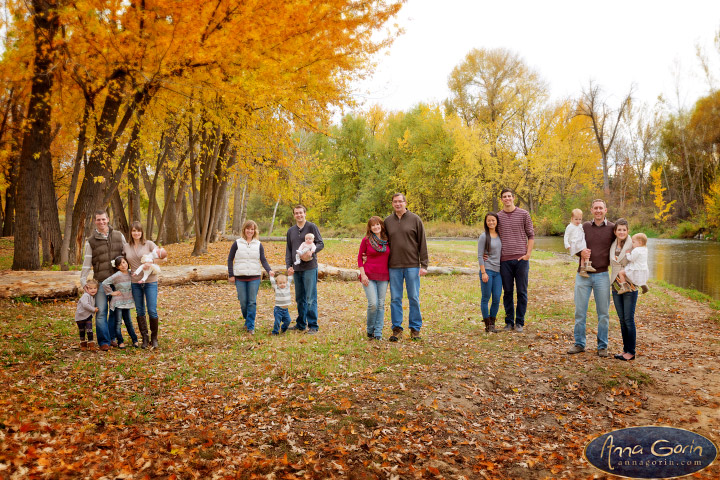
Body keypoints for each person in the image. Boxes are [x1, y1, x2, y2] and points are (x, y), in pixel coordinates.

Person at [567, 199, 616, 357]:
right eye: (595, 208)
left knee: (603, 313)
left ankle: (602, 346)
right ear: (591, 210)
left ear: (605, 210)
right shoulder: (584, 226)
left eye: (601, 208)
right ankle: (579, 343)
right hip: (583, 275)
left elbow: (620, 245)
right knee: (580, 312)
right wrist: (579, 253)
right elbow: (574, 243)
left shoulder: (612, 228)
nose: (598, 210)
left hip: (602, 275)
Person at [384, 193, 428, 341]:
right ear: (392, 204)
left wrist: (424, 264)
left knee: (413, 297)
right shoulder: (387, 221)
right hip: (394, 266)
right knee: (395, 298)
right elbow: (382, 243)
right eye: (395, 202)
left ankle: (415, 328)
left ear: (405, 203)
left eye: (400, 201)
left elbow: (422, 242)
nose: (398, 204)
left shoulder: (415, 219)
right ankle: (396, 328)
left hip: (412, 265)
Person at [80, 210, 127, 351]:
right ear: (95, 221)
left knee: (114, 311)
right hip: (100, 281)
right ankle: (104, 341)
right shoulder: (91, 241)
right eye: (98, 220)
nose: (101, 222)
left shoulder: (119, 236)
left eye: (103, 219)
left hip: (116, 282)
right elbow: (87, 263)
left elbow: (127, 255)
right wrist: (83, 282)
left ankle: (112, 338)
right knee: (100, 312)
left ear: (108, 219)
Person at [496, 188, 534, 332]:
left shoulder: (524, 214)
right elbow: (493, 237)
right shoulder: (498, 216)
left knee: (522, 292)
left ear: (513, 198)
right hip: (504, 260)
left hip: (521, 260)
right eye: (504, 197)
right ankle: (509, 322)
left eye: (509, 196)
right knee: (507, 292)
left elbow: (530, 235)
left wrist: (528, 254)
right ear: (501, 200)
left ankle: (520, 323)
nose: (507, 199)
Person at [228, 220, 274, 335]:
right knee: (243, 302)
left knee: (252, 302)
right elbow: (230, 259)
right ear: (244, 229)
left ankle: (250, 326)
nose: (250, 231)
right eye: (248, 229)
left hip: (254, 277)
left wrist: (269, 270)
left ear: (255, 231)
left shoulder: (258, 244)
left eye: (252, 229)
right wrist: (231, 274)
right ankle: (247, 320)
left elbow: (263, 259)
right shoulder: (237, 243)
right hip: (240, 277)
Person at [124, 221, 163, 349]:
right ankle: (145, 338)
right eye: (134, 230)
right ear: (130, 232)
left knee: (152, 309)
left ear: (142, 232)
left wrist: (151, 262)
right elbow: (123, 262)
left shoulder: (149, 244)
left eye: (138, 230)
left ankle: (154, 338)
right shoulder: (126, 246)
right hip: (135, 282)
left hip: (150, 281)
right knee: (140, 310)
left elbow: (164, 257)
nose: (136, 233)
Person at [285, 205, 324, 334]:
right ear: (294, 215)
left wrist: (312, 253)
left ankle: (313, 325)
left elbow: (320, 243)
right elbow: (289, 250)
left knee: (310, 297)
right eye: (296, 213)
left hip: (310, 267)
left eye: (301, 213)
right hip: (297, 268)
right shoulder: (291, 231)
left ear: (305, 213)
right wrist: (289, 265)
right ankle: (301, 323)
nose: (299, 215)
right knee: (299, 297)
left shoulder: (312, 227)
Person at [609, 218, 638, 361]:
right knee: (621, 319)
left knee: (628, 319)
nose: (621, 232)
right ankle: (625, 350)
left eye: (624, 230)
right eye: (619, 229)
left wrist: (625, 273)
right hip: (615, 285)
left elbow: (639, 264)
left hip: (629, 285)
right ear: (615, 231)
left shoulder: (633, 245)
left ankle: (631, 351)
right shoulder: (613, 244)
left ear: (628, 231)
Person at [358, 216, 391, 340]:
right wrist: (363, 275)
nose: (376, 227)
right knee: (373, 304)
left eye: (378, 224)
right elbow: (359, 259)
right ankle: (370, 329)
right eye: (373, 225)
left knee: (381, 304)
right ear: (370, 228)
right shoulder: (366, 240)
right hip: (369, 276)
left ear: (381, 225)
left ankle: (378, 332)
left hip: (384, 276)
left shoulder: (388, 240)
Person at [101, 256, 138, 349]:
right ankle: (120, 341)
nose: (123, 265)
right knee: (118, 322)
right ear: (117, 267)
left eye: (124, 262)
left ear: (127, 263)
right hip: (118, 302)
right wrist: (111, 293)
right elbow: (105, 283)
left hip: (127, 301)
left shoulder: (131, 273)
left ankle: (135, 340)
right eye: (120, 264)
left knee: (129, 322)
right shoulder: (117, 275)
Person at [478, 212, 501, 333]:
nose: (491, 222)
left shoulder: (500, 235)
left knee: (497, 298)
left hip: (498, 272)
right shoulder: (484, 236)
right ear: (486, 222)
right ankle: (488, 325)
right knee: (486, 298)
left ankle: (493, 322)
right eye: (489, 221)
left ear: (497, 221)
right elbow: (480, 256)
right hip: (487, 270)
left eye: (493, 220)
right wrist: (483, 272)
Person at [564, 208, 597, 277]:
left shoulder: (580, 226)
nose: (578, 221)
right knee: (586, 251)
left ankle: (582, 270)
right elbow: (566, 236)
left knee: (583, 255)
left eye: (580, 219)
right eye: (576, 219)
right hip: (575, 243)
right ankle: (587, 265)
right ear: (572, 219)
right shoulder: (570, 227)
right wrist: (567, 244)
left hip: (581, 242)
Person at [75, 279, 99, 350]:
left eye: (95, 288)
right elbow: (85, 305)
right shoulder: (86, 295)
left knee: (89, 330)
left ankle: (91, 344)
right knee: (82, 330)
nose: (93, 290)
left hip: (88, 317)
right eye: (90, 288)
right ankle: (83, 344)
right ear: (86, 288)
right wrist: (93, 309)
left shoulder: (92, 296)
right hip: (80, 316)